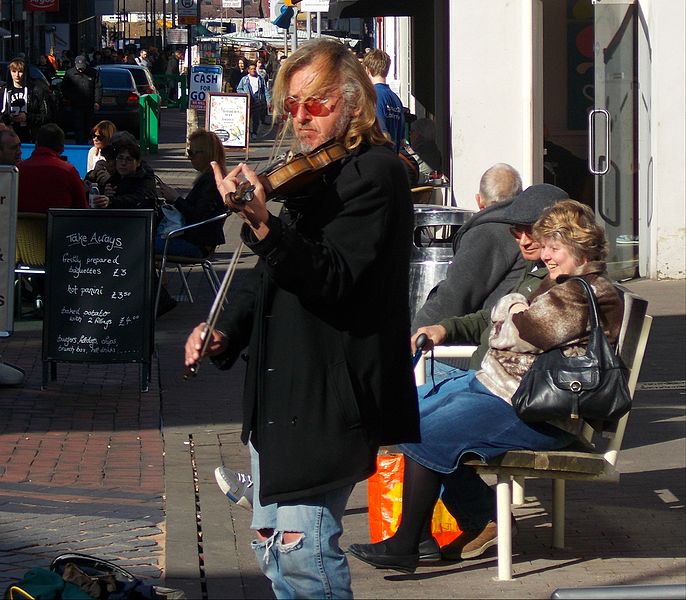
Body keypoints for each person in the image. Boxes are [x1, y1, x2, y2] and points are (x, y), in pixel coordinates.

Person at [184, 38, 419, 599]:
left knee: (306, 552)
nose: (302, 118)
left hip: (329, 391)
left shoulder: (377, 173)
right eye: (292, 106)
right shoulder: (316, 178)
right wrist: (225, 329)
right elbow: (269, 275)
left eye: (316, 103)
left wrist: (266, 226)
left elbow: (331, 277)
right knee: (274, 549)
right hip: (281, 393)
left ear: (353, 101)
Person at [214, 182, 564, 514]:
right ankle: (279, 487)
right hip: (487, 370)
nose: (522, 239)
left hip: (502, 382)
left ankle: (468, 517)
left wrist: (422, 335)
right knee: (391, 412)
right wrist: (444, 328)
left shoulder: (559, 280)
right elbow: (480, 315)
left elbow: (462, 301)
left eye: (529, 231)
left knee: (393, 413)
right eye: (515, 230)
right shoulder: (535, 265)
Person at [348, 200, 624, 573]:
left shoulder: (587, 292)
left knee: (423, 432)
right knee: (414, 418)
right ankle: (432, 535)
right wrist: (510, 314)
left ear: (578, 247)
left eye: (553, 248)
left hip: (541, 412)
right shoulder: (561, 283)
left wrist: (509, 309)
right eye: (545, 247)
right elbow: (508, 328)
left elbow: (525, 333)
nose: (545, 255)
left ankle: (408, 544)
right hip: (508, 392)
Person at [412, 179, 570, 331]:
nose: (523, 242)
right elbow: (486, 318)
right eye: (515, 232)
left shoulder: (488, 235)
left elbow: (451, 300)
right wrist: (442, 330)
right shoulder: (533, 262)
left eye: (532, 232)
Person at [155, 129, 226, 258]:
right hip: (196, 239)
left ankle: (152, 278)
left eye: (191, 153)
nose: (189, 157)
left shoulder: (211, 182)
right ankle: (156, 278)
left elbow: (198, 215)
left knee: (144, 243)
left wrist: (176, 199)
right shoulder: (210, 178)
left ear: (205, 154)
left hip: (197, 243)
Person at [18, 123, 87, 212]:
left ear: (36, 144)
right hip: (59, 225)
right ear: (62, 148)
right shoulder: (68, 171)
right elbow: (82, 210)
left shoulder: (17, 170)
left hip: (20, 225)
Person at [90, 140, 157, 212]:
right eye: (120, 158)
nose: (123, 163)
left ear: (138, 163)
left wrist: (111, 200)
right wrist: (105, 194)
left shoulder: (145, 177)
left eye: (129, 159)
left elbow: (139, 198)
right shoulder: (116, 176)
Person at [362, 49, 405, 153]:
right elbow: (402, 140)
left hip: (381, 160)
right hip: (394, 158)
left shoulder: (374, 95)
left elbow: (383, 134)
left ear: (367, 70)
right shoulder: (396, 99)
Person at [0, 58, 52, 143]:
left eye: (20, 71)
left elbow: (46, 116)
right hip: (9, 137)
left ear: (25, 73)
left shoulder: (36, 91)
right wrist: (8, 118)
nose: (17, 75)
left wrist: (27, 117)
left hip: (30, 136)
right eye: (14, 71)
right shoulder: (4, 91)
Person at [60, 55, 102, 144]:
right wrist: (69, 98)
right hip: (75, 104)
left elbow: (98, 88)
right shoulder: (70, 73)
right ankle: (80, 144)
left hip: (89, 104)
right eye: (79, 68)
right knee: (78, 126)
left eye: (82, 68)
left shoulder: (93, 73)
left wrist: (97, 101)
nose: (80, 70)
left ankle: (86, 142)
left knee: (88, 126)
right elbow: (64, 88)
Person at [236, 62, 272, 139]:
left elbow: (265, 90)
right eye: (251, 69)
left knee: (256, 119)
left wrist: (268, 101)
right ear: (248, 70)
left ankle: (254, 132)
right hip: (248, 101)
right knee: (246, 118)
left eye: (254, 69)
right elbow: (239, 89)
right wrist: (245, 94)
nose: (253, 70)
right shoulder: (244, 79)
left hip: (257, 101)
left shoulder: (260, 79)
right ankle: (246, 133)